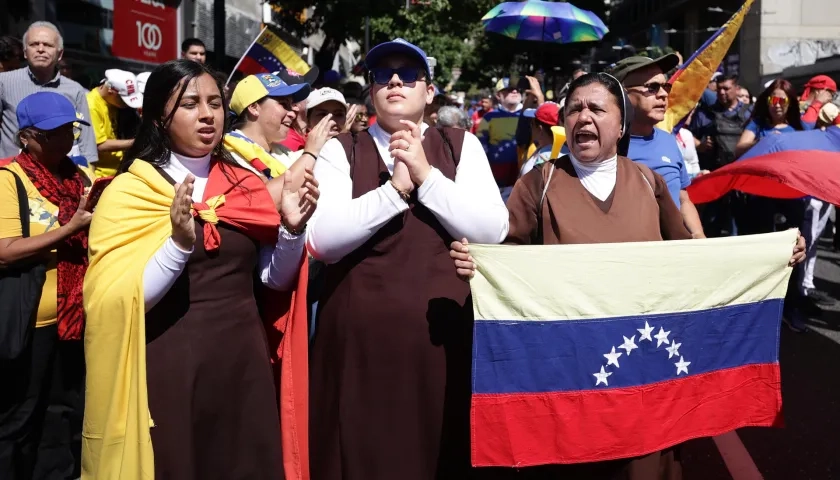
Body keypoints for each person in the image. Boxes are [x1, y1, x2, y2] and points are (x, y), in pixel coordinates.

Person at [449, 72, 806, 479]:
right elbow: (506, 262)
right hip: (571, 378)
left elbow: (690, 260)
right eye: (574, 108)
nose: (583, 116)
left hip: (643, 373)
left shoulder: (646, 180)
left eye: (596, 109)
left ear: (619, 126)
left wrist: (771, 256)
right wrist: (478, 265)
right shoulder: (539, 184)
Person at [82, 59, 317, 479]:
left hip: (243, 363)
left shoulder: (244, 182)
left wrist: (291, 231)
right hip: (171, 364)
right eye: (190, 104)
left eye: (214, 103)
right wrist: (178, 245)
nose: (207, 114)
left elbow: (272, 281)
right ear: (158, 116)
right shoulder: (130, 192)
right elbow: (116, 301)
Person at [307, 38, 508, 480]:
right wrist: (394, 192)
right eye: (383, 74)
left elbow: (493, 228)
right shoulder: (345, 150)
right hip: (360, 347)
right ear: (371, 91)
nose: (395, 80)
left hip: (443, 341)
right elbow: (321, 240)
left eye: (409, 74)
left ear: (429, 91)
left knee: (441, 453)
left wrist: (426, 177)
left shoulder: (459, 146)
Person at [0, 91, 92, 480]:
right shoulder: (9, 179)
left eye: (69, 130)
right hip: (29, 326)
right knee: (18, 418)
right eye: (53, 133)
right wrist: (69, 229)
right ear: (26, 137)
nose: (65, 139)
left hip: (72, 324)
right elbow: (6, 250)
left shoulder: (79, 177)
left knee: (63, 416)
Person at [612, 54, 705, 238]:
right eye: (652, 87)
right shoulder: (606, 147)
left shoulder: (669, 141)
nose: (663, 94)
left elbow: (682, 198)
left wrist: (698, 236)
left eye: (666, 86)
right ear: (622, 93)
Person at [0, 22, 98, 165]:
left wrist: (88, 174)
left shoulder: (75, 90)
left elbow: (86, 144)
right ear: (25, 51)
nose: (40, 49)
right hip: (11, 176)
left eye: (48, 45)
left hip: (60, 178)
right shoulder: (3, 82)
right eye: (34, 44)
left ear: (60, 54)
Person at [224, 72, 316, 179]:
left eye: (291, 105)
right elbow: (266, 193)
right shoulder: (230, 152)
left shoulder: (281, 151)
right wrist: (311, 152)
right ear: (254, 108)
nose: (292, 113)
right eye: (284, 104)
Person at [87, 69, 143, 177]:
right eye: (123, 100)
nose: (126, 105)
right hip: (99, 175)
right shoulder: (91, 106)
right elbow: (98, 145)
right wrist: (135, 142)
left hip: (114, 171)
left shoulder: (111, 103)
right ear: (111, 91)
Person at [477, 77, 523, 201]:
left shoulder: (528, 115)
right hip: (497, 181)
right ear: (498, 95)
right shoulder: (489, 117)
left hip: (523, 178)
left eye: (517, 89)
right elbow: (481, 147)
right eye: (509, 90)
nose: (514, 92)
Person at [736, 79, 804, 158]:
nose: (777, 105)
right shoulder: (757, 124)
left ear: (790, 103)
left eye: (782, 101)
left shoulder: (798, 126)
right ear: (767, 102)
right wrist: (761, 142)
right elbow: (738, 151)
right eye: (773, 100)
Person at [519, 102, 559, 177]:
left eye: (531, 123)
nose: (530, 127)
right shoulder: (542, 148)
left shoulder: (547, 159)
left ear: (540, 129)